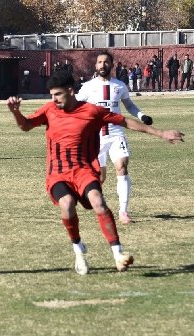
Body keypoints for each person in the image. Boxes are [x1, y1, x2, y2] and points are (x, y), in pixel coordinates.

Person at [6, 70, 184, 275]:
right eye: (51, 95)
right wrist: (15, 112)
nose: (53, 99)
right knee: (67, 204)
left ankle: (118, 254)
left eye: (57, 94)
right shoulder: (49, 110)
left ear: (71, 91)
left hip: (84, 170)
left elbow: (124, 121)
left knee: (98, 201)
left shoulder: (92, 111)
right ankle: (78, 249)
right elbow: (26, 125)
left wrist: (161, 133)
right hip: (58, 173)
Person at [76, 51, 154, 225]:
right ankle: (93, 202)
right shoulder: (88, 87)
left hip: (116, 133)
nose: (102, 65)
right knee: (100, 177)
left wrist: (142, 116)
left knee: (122, 167)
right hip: (95, 137)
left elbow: (129, 105)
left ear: (111, 64)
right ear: (95, 66)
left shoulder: (120, 85)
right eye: (99, 62)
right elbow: (75, 105)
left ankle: (123, 212)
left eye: (106, 62)